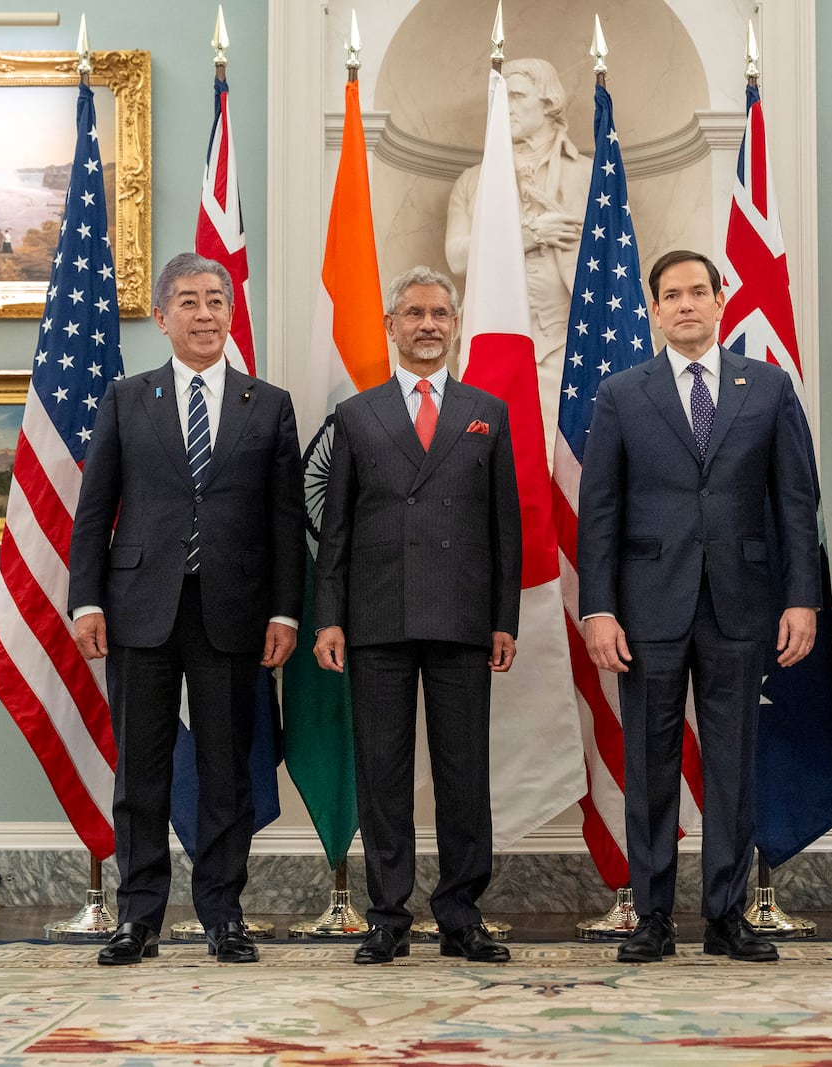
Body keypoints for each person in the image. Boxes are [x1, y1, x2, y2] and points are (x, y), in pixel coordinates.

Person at [578, 249, 821, 964]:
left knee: (733, 766)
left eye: (697, 291)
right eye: (671, 295)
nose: (685, 304)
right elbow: (599, 513)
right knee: (651, 765)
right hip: (646, 608)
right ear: (654, 310)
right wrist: (598, 608)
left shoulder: (769, 388)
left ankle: (725, 915)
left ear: (722, 299)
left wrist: (801, 598)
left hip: (742, 605)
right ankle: (652, 917)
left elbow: (795, 503)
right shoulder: (622, 393)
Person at [68, 252, 303, 966]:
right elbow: (94, 510)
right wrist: (85, 599)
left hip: (233, 611)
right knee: (140, 771)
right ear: (161, 317)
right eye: (190, 301)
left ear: (231, 312)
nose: (205, 314)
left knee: (227, 769)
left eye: (216, 300)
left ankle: (222, 914)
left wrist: (285, 612)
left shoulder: (268, 404)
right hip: (139, 608)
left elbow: (286, 521)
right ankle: (138, 917)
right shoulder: (125, 399)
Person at [313, 266, 522, 965]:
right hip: (376, 617)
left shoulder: (486, 408)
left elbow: (505, 530)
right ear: (391, 326)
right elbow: (335, 528)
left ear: (455, 323)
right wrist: (329, 617)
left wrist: (504, 619)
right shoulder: (356, 414)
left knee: (465, 773)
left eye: (439, 313)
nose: (427, 324)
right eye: (413, 313)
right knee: (384, 772)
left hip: (464, 617)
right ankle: (387, 916)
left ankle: (462, 914)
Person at [445, 57, 590, 467]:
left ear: (548, 102)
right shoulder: (473, 182)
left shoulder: (588, 175)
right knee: (493, 461)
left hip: (565, 343)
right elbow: (457, 255)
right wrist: (528, 235)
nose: (505, 105)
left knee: (566, 463)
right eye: (501, 96)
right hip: (492, 339)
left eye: (518, 95)